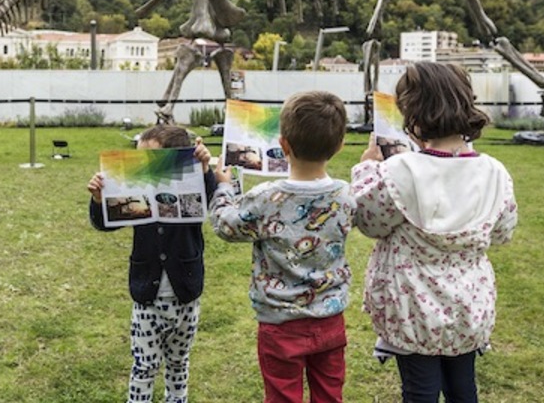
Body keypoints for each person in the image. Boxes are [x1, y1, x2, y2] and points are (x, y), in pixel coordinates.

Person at [351, 62, 518, 403]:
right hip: (468, 304)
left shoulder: (400, 170)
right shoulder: (493, 172)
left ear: (413, 113)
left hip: (412, 306)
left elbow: (369, 220)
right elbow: (503, 231)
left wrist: (367, 167)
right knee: (463, 387)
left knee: (420, 390)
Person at [209, 90, 355, 403]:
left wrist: (224, 187)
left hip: (280, 323)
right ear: (340, 145)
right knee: (330, 397)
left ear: (283, 145)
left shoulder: (265, 197)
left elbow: (225, 225)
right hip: (330, 319)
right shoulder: (346, 195)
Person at [88, 124, 216, 403]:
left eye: (150, 159)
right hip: (147, 295)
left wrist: (205, 170)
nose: (142, 165)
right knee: (144, 366)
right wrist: (99, 199)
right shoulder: (135, 189)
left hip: (185, 293)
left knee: (179, 362)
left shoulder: (192, 183)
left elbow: (212, 203)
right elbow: (104, 223)